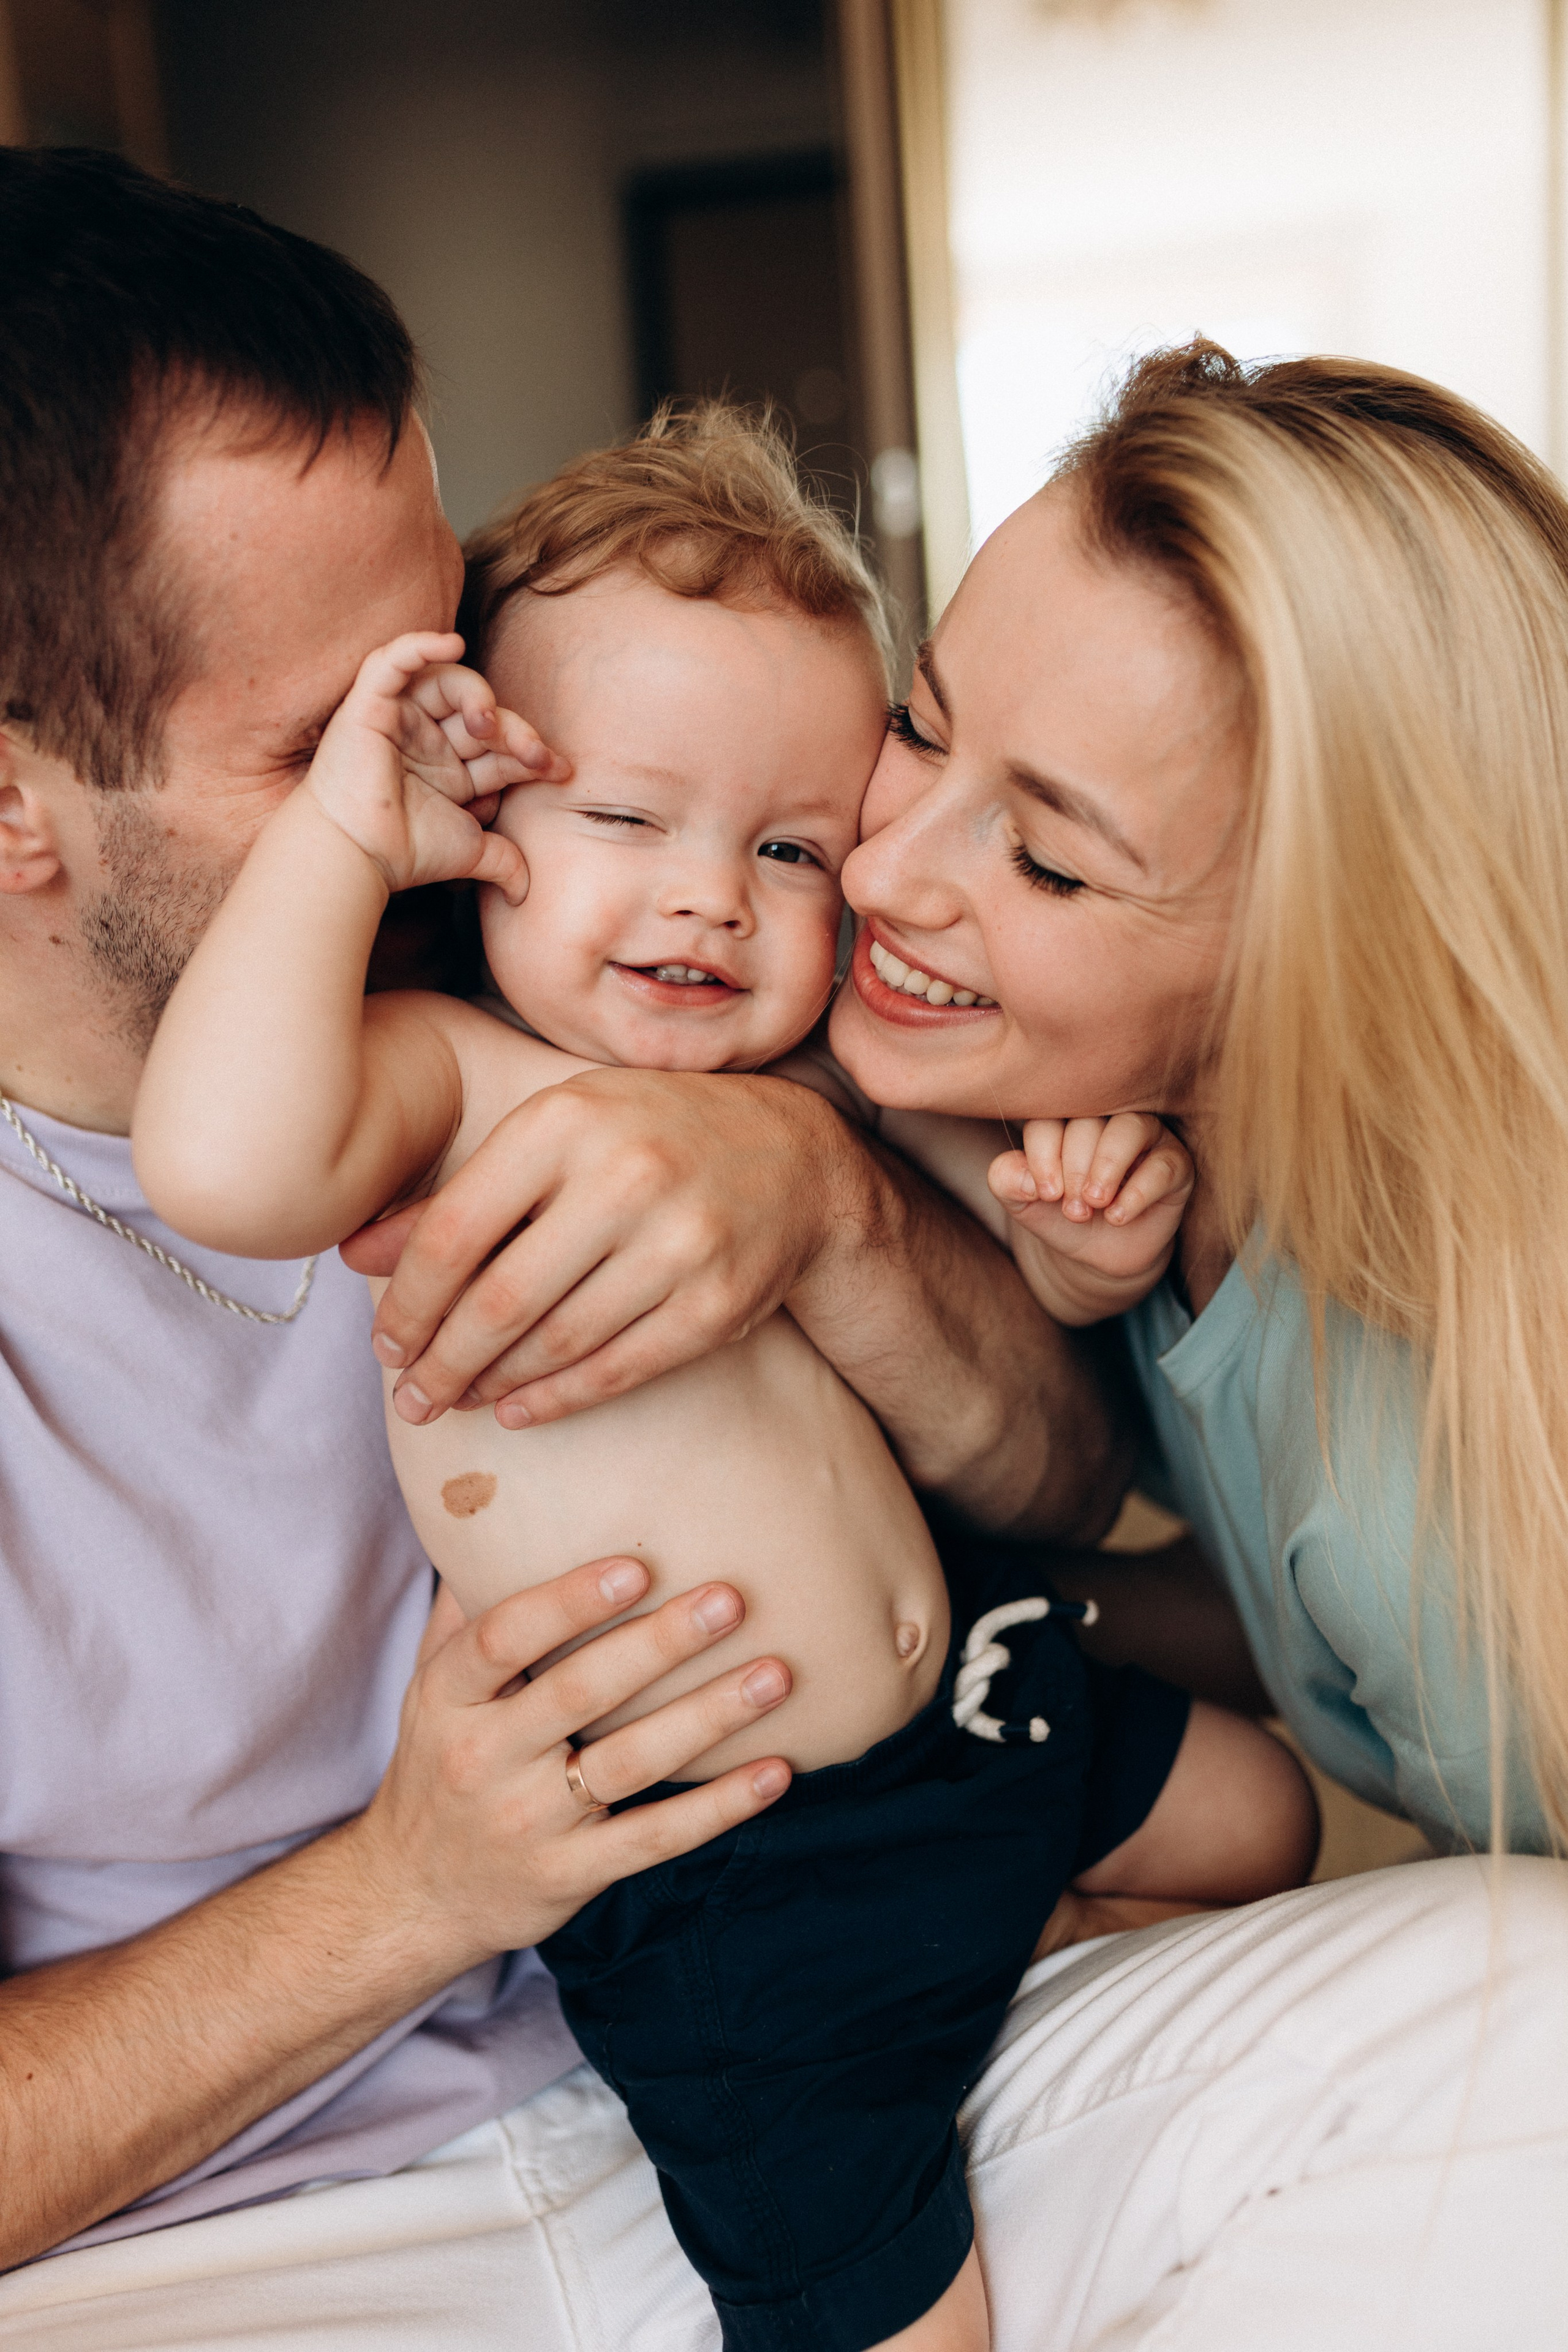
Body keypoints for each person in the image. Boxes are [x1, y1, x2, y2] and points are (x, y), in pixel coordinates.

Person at [0, 145, 1132, 2309]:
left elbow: (1071, 1485)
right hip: (229, 2235)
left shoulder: (566, 979)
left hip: (784, 1990)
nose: (478, 772)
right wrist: (413, 1891)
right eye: (335, 736)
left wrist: (817, 1210)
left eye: (450, 662)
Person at [133, 404, 1310, 2352]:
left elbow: (1020, 1271)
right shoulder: (440, 1074)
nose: (712, 899)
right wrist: (346, 837)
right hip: (739, 1862)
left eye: (789, 846)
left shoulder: (818, 1085)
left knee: (1262, 1821)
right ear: (477, 821)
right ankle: (945, 2019)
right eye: (626, 819)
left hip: (981, 1700)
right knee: (903, 2319)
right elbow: (227, 1163)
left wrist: (1087, 1238)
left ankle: (1014, 1947)